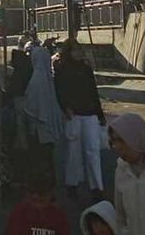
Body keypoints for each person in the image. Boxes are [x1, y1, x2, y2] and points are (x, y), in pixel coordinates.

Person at [54, 39, 105, 201]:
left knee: (93, 151)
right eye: (74, 50)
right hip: (74, 115)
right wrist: (65, 107)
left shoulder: (86, 69)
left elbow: (93, 92)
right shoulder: (62, 70)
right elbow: (59, 91)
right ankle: (72, 184)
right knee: (73, 152)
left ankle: (96, 187)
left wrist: (100, 114)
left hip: (90, 114)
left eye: (78, 49)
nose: (77, 53)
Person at [23, 36, 64, 184]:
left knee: (40, 159)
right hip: (48, 127)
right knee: (48, 158)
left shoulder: (37, 79)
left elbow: (31, 106)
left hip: (38, 129)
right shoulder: (47, 77)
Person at [4, 172, 71, 235]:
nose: (35, 196)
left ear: (50, 194)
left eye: (41, 192)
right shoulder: (19, 213)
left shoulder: (59, 216)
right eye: (31, 192)